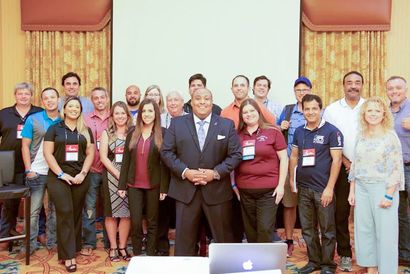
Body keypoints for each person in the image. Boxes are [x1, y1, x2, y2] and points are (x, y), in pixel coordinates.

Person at [161, 87, 242, 256]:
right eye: (198, 98)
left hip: (217, 191)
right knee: (184, 244)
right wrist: (186, 172)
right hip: (185, 192)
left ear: (212, 102)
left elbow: (235, 155)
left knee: (222, 242)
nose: (202, 102)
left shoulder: (226, 125)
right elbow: (166, 152)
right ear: (191, 101)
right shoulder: (177, 123)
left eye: (207, 99)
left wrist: (215, 173)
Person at [347, 97, 404, 274]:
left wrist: (389, 195)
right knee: (364, 231)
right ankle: (371, 267)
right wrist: (352, 190)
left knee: (386, 234)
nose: (373, 114)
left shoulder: (390, 136)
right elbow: (355, 164)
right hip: (362, 188)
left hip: (383, 189)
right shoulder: (361, 135)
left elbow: (396, 167)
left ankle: (387, 270)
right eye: (369, 110)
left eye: (377, 111)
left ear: (384, 114)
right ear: (364, 113)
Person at [289, 94, 343, 274]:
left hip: (323, 189)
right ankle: (314, 262)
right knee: (307, 229)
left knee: (327, 230)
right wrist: (291, 179)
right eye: (307, 109)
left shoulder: (332, 131)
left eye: (314, 108)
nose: (310, 112)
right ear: (302, 110)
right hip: (303, 188)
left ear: (321, 109)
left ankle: (328, 265)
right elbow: (294, 156)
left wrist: (329, 188)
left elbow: (337, 161)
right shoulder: (299, 131)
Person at [44, 96, 95, 272]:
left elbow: (90, 154)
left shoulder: (86, 130)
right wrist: (61, 173)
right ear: (64, 109)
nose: (74, 109)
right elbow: (48, 154)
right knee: (65, 212)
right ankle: (68, 256)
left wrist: (83, 173)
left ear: (81, 110)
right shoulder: (54, 129)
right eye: (70, 106)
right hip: (58, 177)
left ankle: (73, 246)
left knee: (75, 213)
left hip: (80, 177)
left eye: (77, 107)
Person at [322, 71, 365, 272]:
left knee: (368, 215)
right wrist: (347, 163)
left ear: (362, 85)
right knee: (341, 215)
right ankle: (346, 254)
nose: (353, 86)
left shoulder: (369, 106)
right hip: (342, 168)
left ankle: (369, 255)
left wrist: (360, 164)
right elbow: (330, 140)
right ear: (343, 85)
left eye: (357, 82)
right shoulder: (332, 110)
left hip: (369, 170)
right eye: (349, 83)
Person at [118, 99, 169, 256]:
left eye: (150, 111)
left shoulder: (163, 133)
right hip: (134, 185)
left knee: (153, 222)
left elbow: (165, 164)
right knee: (136, 221)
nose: (147, 114)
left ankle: (151, 253)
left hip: (154, 185)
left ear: (156, 114)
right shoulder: (133, 133)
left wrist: (164, 187)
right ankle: (138, 253)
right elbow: (126, 160)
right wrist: (121, 185)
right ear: (140, 114)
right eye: (144, 111)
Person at [235, 98, 288, 243]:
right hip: (245, 190)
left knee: (265, 229)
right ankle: (254, 262)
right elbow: (232, 162)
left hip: (269, 190)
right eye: (245, 112)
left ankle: (264, 263)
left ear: (258, 112)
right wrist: (234, 186)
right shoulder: (237, 135)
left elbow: (284, 159)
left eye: (252, 110)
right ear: (241, 116)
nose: (249, 114)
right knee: (250, 230)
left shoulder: (273, 131)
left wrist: (281, 186)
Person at [0, 82, 42, 250]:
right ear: (15, 95)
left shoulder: (39, 113)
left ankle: (40, 232)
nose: (23, 96)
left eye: (26, 94)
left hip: (35, 164)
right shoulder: (4, 114)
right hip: (10, 167)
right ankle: (5, 235)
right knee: (9, 202)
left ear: (31, 95)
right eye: (20, 94)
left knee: (37, 200)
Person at [19, 87, 60, 258]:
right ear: (42, 101)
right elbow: (25, 146)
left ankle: (53, 242)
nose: (50, 100)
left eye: (53, 97)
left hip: (57, 172)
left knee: (55, 210)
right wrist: (28, 170)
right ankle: (29, 245)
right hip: (37, 172)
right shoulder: (33, 119)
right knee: (33, 211)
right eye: (46, 98)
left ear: (58, 99)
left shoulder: (65, 119)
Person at [276, 76, 312, 256]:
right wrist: (280, 126)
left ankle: (310, 240)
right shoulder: (288, 110)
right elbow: (274, 131)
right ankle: (289, 239)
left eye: (305, 90)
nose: (301, 93)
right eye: (298, 90)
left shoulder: (315, 109)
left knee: (310, 205)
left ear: (310, 91)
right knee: (289, 204)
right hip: (291, 164)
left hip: (312, 166)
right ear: (294, 92)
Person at [99, 101, 132, 261]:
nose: (120, 116)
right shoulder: (106, 133)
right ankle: (113, 247)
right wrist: (119, 175)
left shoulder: (133, 132)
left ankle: (122, 247)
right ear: (112, 116)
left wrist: (126, 177)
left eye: (123, 113)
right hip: (111, 177)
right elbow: (103, 157)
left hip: (130, 178)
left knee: (126, 214)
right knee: (111, 214)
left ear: (128, 115)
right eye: (116, 113)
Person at [157, 91, 187, 255]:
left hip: (184, 171)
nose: (173, 103)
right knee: (163, 209)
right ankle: (162, 245)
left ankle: (188, 246)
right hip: (164, 171)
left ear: (183, 103)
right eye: (169, 100)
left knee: (185, 212)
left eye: (176, 100)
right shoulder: (159, 119)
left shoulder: (190, 118)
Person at [81, 87, 110, 256]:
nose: (99, 100)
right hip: (91, 170)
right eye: (96, 98)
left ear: (107, 99)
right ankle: (89, 242)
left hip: (110, 171)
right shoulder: (84, 119)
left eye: (102, 97)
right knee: (89, 208)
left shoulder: (115, 117)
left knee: (109, 209)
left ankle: (109, 241)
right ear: (92, 101)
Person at [385, 76, 410, 267]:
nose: (394, 91)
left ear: (406, 89)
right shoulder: (384, 112)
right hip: (393, 172)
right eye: (391, 88)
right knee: (399, 213)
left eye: (398, 88)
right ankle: (404, 253)